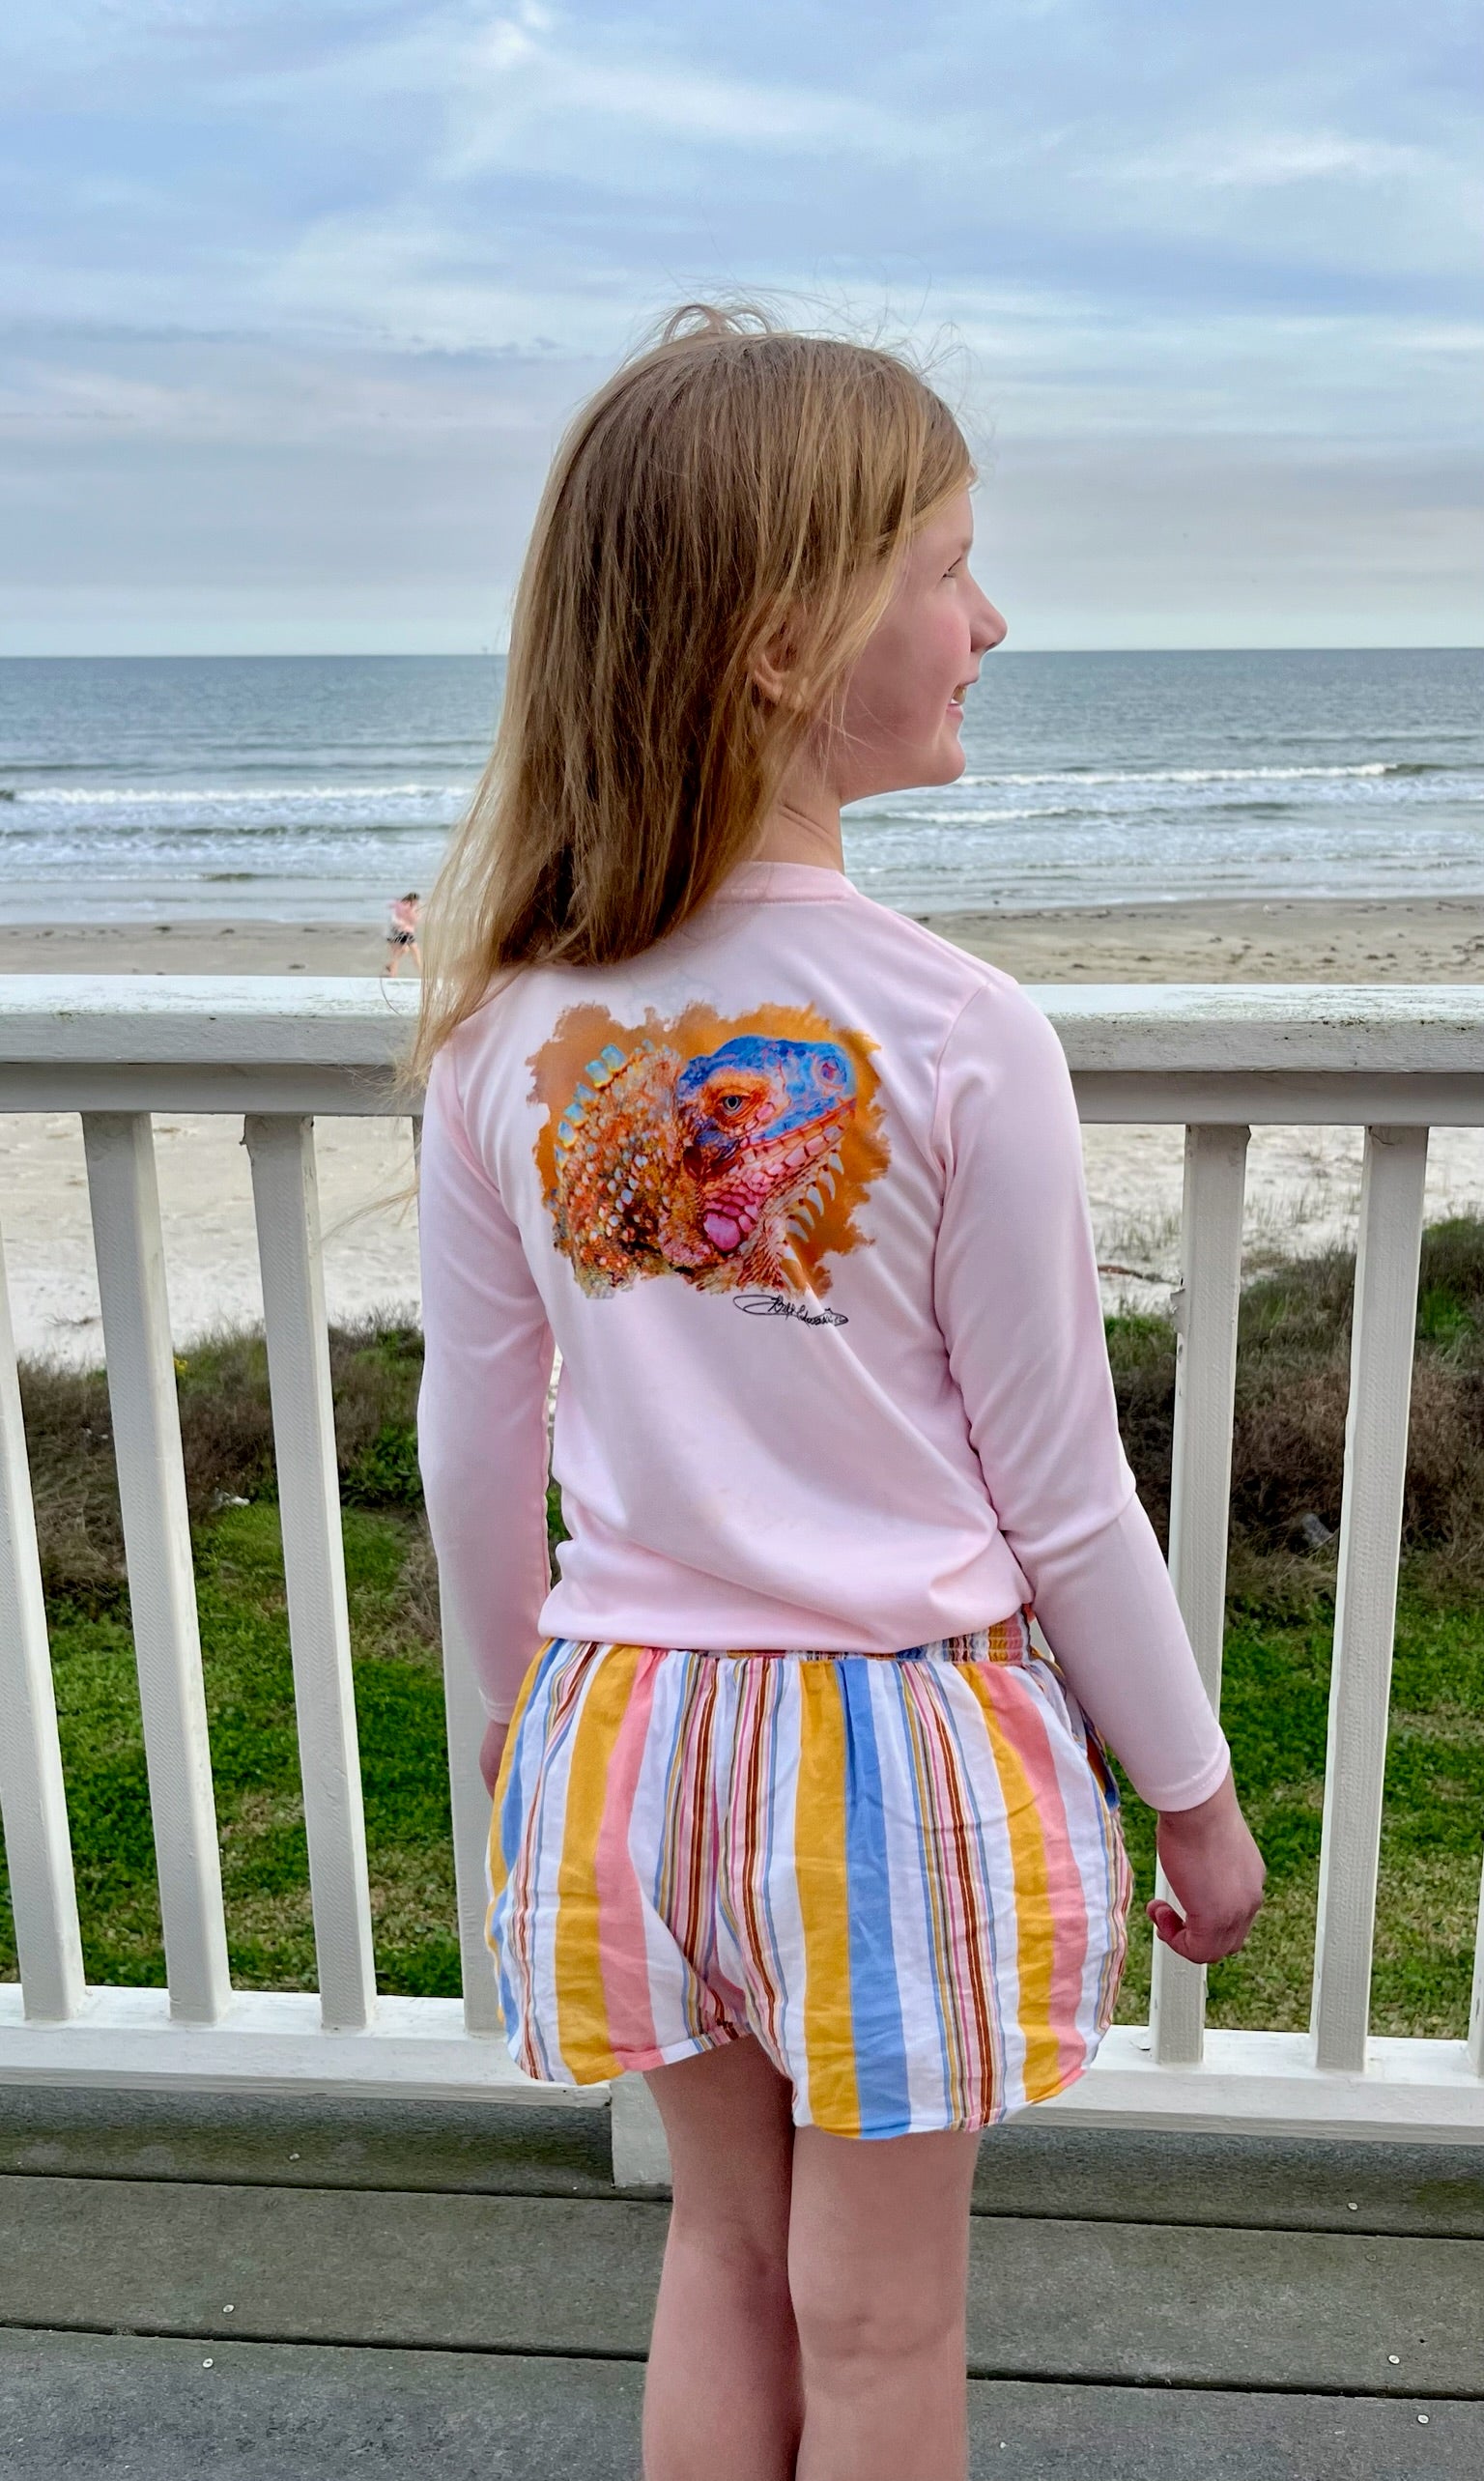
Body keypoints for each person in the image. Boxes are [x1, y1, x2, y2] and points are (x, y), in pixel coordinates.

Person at [412, 304, 1265, 2481]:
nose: (993, 620)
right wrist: (1191, 1791)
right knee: (882, 2323)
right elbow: (1063, 1491)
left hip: (627, 1744)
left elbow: (477, 1446)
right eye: (950, 570)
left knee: (719, 2257)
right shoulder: (961, 1033)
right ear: (790, 641)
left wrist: (524, 1736)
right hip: (887, 1755)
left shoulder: (509, 1024)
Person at [384, 890, 421, 976]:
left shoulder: (403, 905)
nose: (416, 903)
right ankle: (421, 971)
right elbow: (412, 920)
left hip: (396, 931)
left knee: (402, 950)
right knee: (414, 951)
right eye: (415, 902)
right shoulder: (407, 907)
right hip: (402, 932)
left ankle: (391, 969)